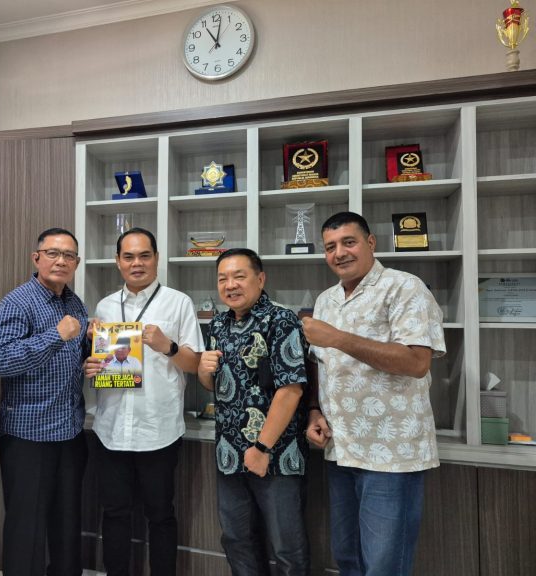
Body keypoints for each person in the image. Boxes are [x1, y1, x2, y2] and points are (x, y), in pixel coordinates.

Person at [302, 211, 446, 576]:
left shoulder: (405, 287)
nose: (339, 253)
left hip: (391, 457)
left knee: (383, 565)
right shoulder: (326, 300)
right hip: (341, 448)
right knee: (347, 557)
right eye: (330, 247)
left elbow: (417, 362)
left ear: (370, 243)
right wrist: (315, 409)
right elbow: (320, 363)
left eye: (348, 242)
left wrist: (338, 338)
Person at [84, 227, 203, 576]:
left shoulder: (178, 302)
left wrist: (168, 346)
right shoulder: (105, 306)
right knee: (114, 514)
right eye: (129, 256)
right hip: (111, 428)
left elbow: (195, 364)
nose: (137, 263)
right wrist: (91, 364)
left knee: (161, 515)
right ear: (118, 261)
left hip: (158, 429)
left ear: (156, 259)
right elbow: (103, 362)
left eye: (144, 255)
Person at [197, 248, 310, 576]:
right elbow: (213, 383)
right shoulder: (218, 323)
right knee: (237, 539)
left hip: (274, 454)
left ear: (260, 279)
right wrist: (203, 369)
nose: (230, 285)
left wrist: (261, 448)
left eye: (239, 276)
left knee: (287, 547)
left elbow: (291, 390)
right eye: (222, 278)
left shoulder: (281, 319)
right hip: (229, 453)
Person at [0, 227, 90, 576]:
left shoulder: (75, 303)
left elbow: (73, 358)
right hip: (28, 435)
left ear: (77, 262)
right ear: (36, 258)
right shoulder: (17, 302)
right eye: (53, 253)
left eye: (69, 255)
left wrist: (91, 354)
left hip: (69, 430)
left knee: (67, 524)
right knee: (27, 528)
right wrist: (55, 335)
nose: (61, 261)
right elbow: (1, 361)